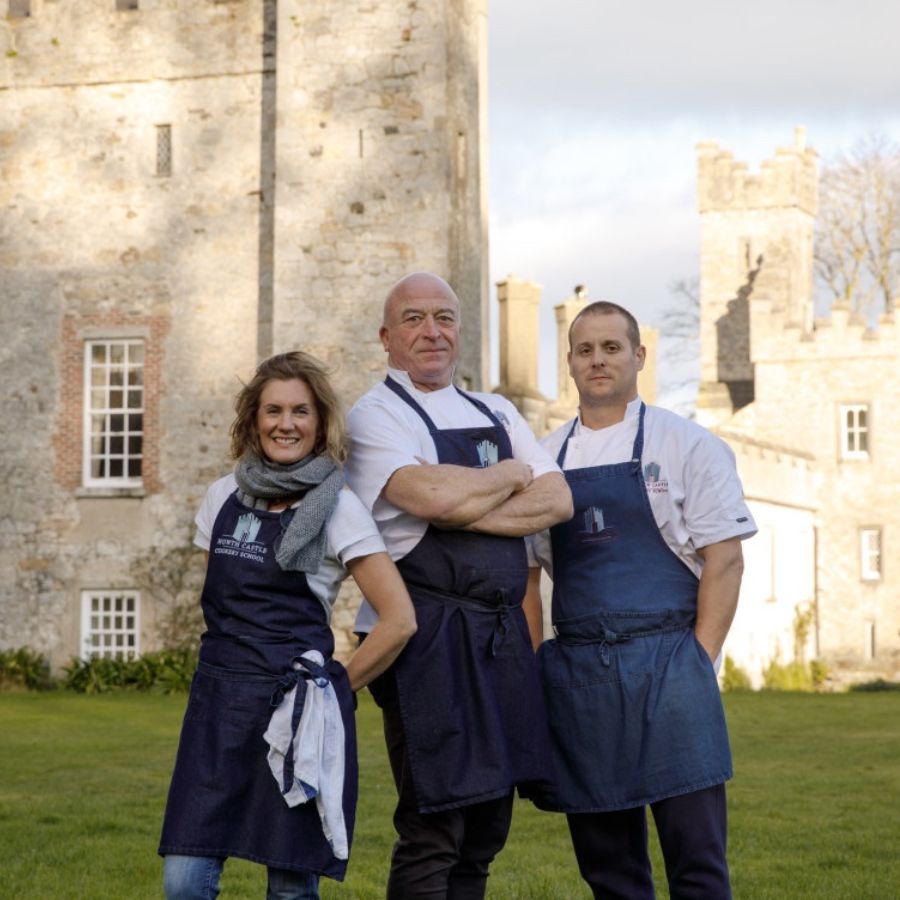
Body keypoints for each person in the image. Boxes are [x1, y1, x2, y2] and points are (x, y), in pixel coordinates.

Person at [344, 272, 573, 900]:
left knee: (487, 827)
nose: (431, 331)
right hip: (427, 641)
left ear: (460, 330)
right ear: (387, 336)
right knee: (435, 824)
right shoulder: (376, 415)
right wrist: (507, 472)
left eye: (443, 317)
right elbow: (429, 496)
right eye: (414, 319)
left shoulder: (495, 409)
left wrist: (467, 506)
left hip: (498, 639)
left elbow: (556, 500)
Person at [158, 351, 416, 900]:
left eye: (301, 411)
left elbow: (398, 621)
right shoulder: (220, 497)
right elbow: (222, 602)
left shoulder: (340, 509)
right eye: (273, 410)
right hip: (218, 704)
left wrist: (338, 686)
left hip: (296, 717)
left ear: (320, 423)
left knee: (291, 886)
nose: (286, 423)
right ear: (253, 418)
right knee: (184, 881)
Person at [524, 301, 757, 900]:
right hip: (579, 676)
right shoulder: (541, 462)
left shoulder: (689, 445)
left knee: (697, 860)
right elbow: (526, 579)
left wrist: (697, 661)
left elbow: (725, 559)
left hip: (672, 664)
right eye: (584, 350)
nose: (598, 360)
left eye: (611, 348)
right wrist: (533, 668)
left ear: (638, 356)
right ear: (570, 363)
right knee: (609, 869)